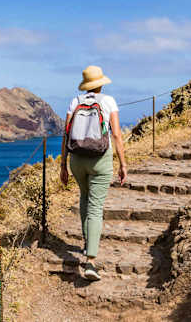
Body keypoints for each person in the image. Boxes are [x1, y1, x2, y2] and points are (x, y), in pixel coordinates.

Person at [60, 65, 127, 281]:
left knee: (85, 198)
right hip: (100, 159)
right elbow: (116, 134)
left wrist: (63, 165)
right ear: (100, 83)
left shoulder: (75, 102)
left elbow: (66, 134)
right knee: (96, 207)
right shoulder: (108, 101)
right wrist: (123, 164)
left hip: (77, 159)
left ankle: (87, 241)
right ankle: (90, 261)